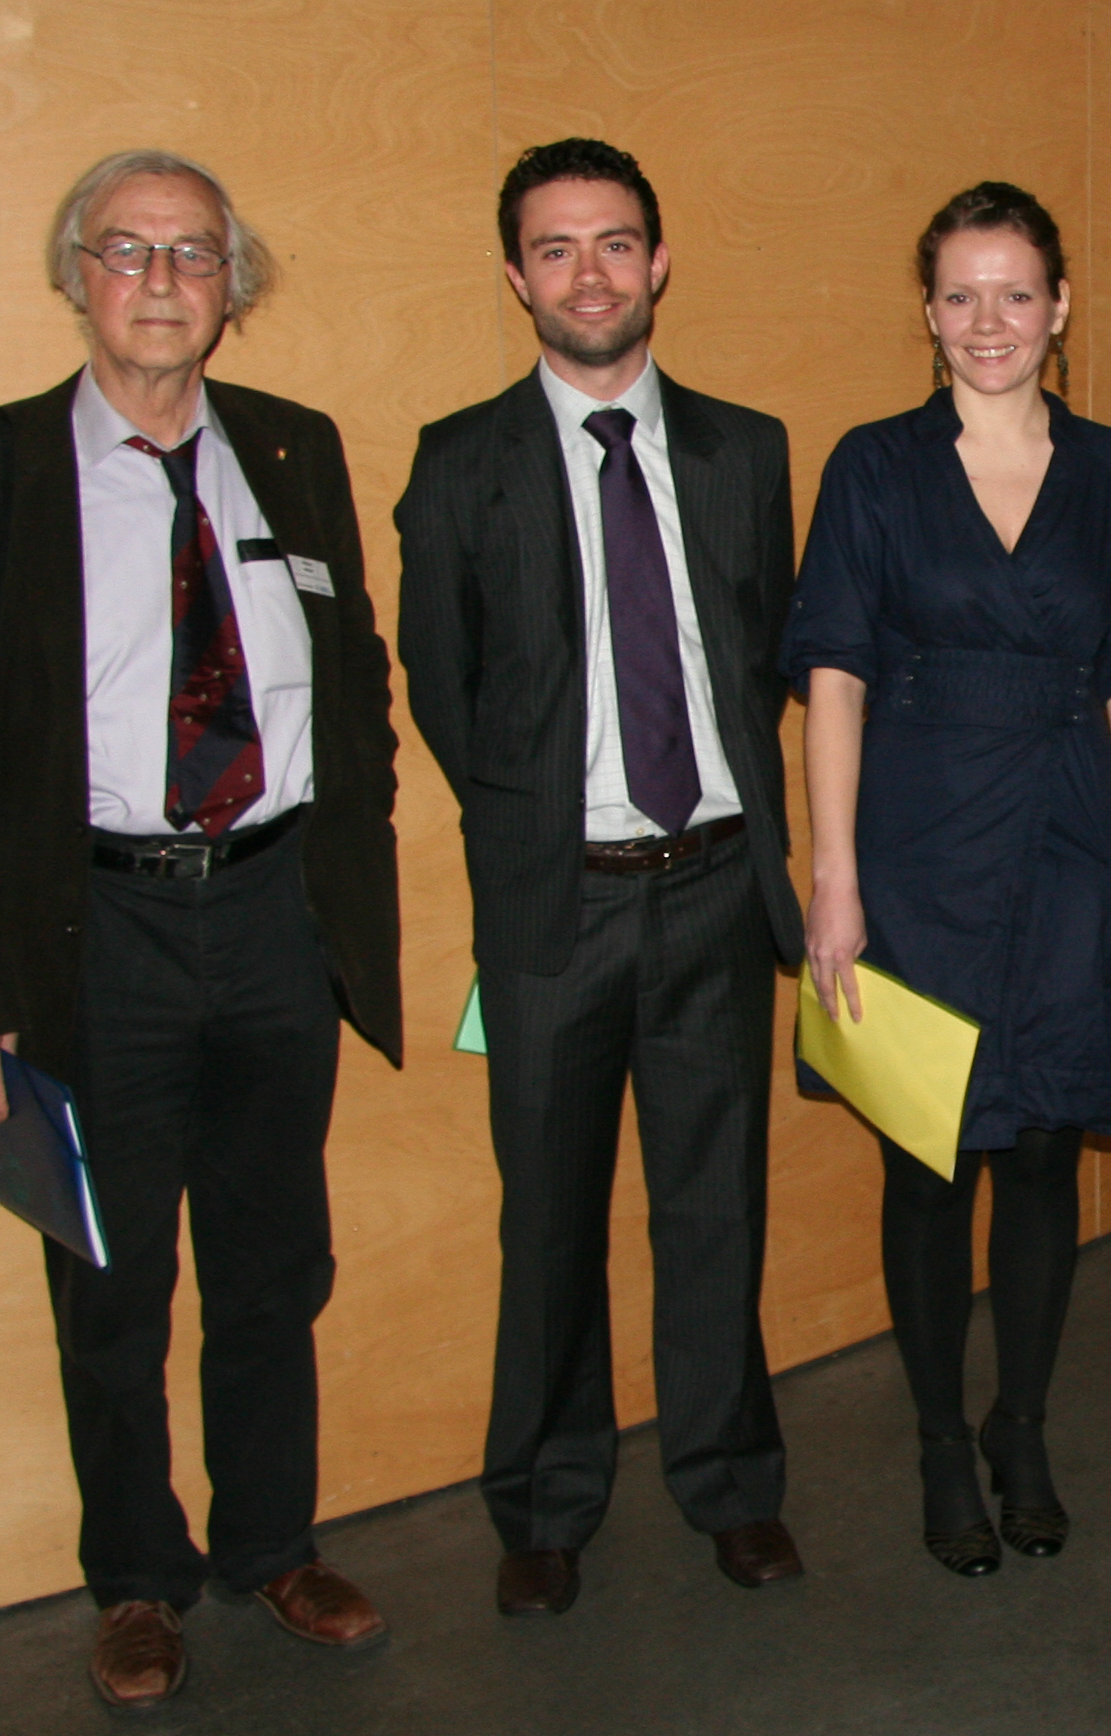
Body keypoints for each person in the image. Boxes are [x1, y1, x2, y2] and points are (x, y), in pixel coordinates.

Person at [0, 149, 402, 1710]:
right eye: (128, 250)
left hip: (271, 916)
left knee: (273, 1262)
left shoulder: (296, 450)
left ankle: (273, 1546)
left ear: (233, 287)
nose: (162, 281)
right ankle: (135, 1580)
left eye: (193, 254)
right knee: (110, 1285)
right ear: (77, 276)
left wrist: (342, 874)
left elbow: (354, 684)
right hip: (93, 930)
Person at [395, 138, 809, 1618]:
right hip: (551, 907)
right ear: (516, 276)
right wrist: (536, 826)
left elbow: (763, 658)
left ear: (660, 261)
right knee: (551, 1223)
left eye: (616, 242)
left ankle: (731, 1485)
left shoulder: (746, 449)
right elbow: (441, 685)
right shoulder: (461, 462)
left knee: (716, 1210)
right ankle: (547, 1505)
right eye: (556, 248)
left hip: (714, 890)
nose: (590, 273)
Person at [787, 181, 1111, 1578]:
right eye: (960, 294)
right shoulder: (873, 467)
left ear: (1060, 305)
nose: (989, 321)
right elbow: (832, 679)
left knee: (1041, 1153)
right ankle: (939, 1442)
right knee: (927, 1160)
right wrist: (833, 877)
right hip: (918, 850)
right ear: (927, 311)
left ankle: (1021, 1426)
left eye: (1016, 292)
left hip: (1077, 839)